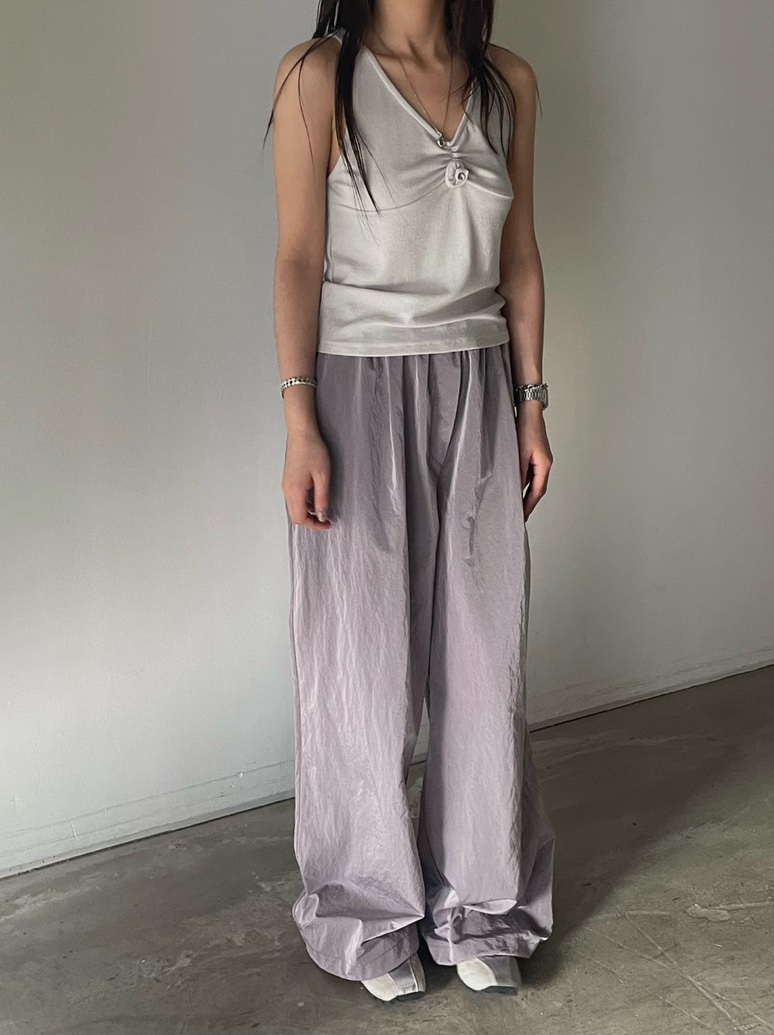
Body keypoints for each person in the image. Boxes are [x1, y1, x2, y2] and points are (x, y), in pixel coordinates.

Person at [266, 0, 555, 1003]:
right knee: (364, 665)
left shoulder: (507, 82)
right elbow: (297, 256)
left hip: (478, 382)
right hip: (356, 387)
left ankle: (483, 903)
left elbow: (519, 255)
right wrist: (300, 418)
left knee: (484, 659)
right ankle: (367, 908)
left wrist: (531, 404)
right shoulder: (318, 75)